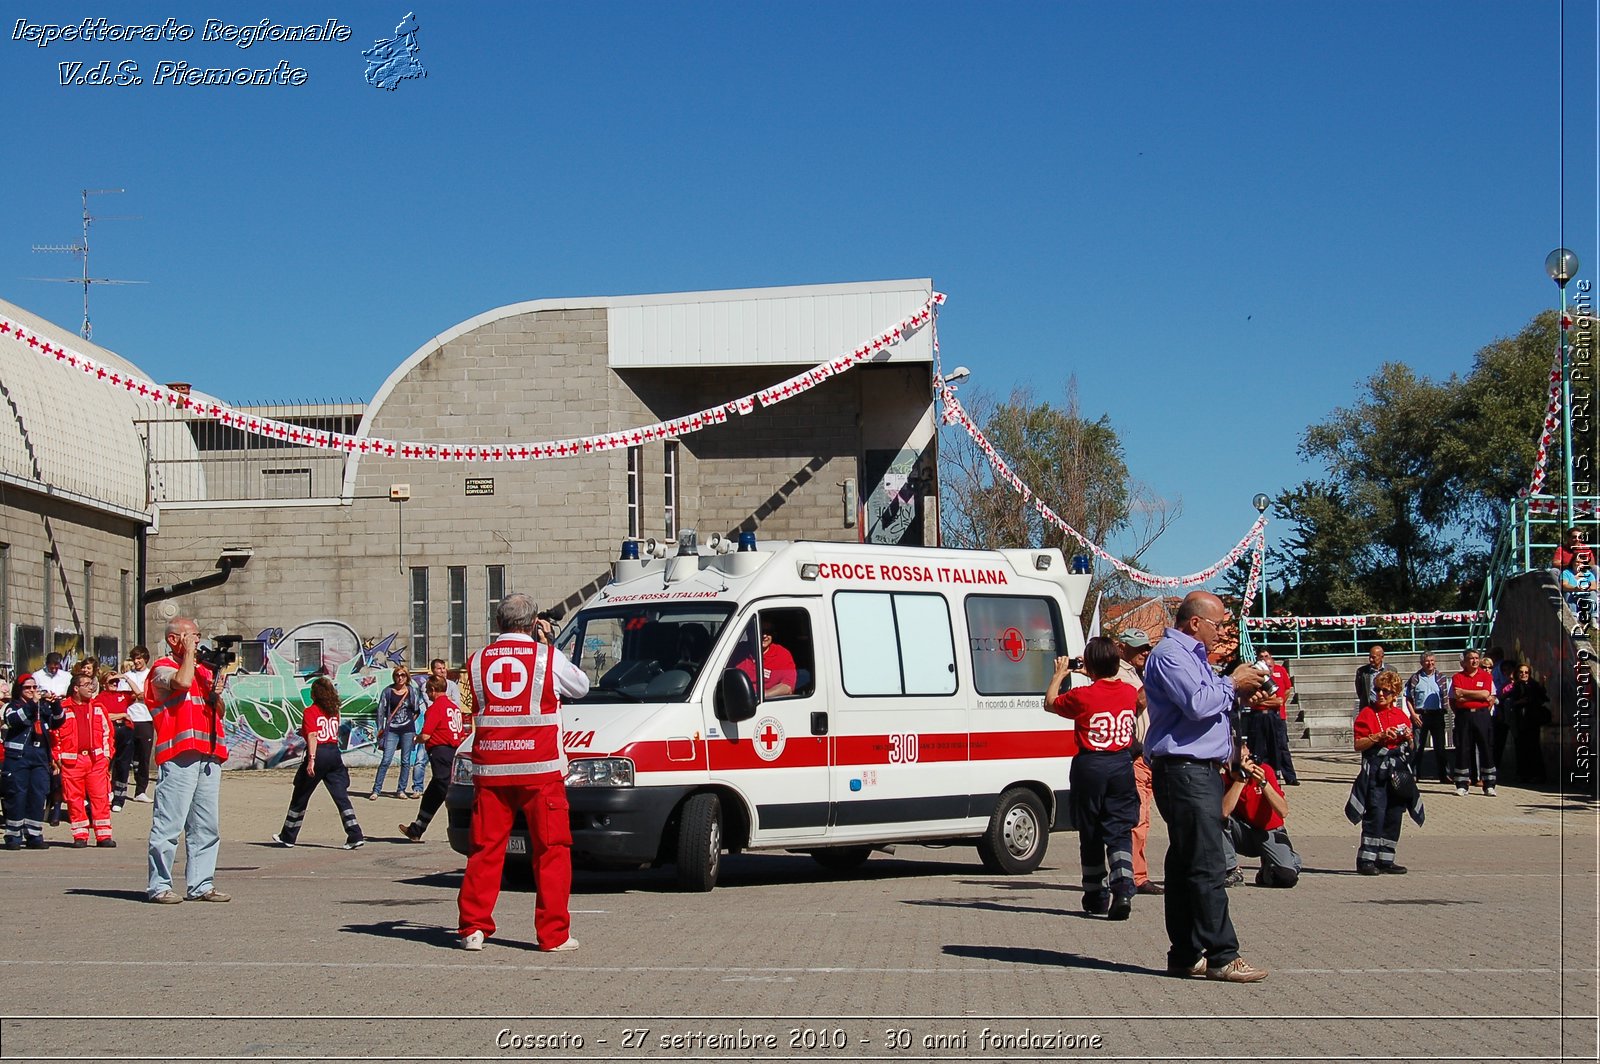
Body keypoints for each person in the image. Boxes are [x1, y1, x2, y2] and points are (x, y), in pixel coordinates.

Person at [1143, 590, 1268, 983]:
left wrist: (1241, 693)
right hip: (1184, 770)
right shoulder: (1170, 655)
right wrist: (1233, 682)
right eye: (1218, 625)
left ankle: (1184, 953)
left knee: (1185, 864)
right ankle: (1222, 955)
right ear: (1195, 623)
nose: (1222, 632)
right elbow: (1197, 704)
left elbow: (1210, 704)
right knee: (1208, 861)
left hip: (1198, 770)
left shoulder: (1193, 658)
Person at [457, 593, 589, 952]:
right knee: (551, 851)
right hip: (540, 769)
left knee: (484, 850)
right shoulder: (546, 657)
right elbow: (581, 685)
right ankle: (553, 935)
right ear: (533, 625)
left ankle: (473, 928)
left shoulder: (477, 660)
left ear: (498, 624)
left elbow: (467, 703)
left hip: (491, 769)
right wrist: (547, 643)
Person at [1045, 637, 1140, 920]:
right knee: (1119, 828)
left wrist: (1060, 673)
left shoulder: (1083, 696)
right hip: (1122, 764)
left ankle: (1095, 892)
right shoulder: (1128, 692)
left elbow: (1050, 703)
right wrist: (1098, 672)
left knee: (1090, 829)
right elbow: (1111, 686)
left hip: (1091, 765)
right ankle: (1123, 888)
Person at [145, 616, 231, 904]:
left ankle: (201, 884)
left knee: (206, 825)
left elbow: (218, 711)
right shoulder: (162, 668)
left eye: (198, 636)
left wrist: (216, 690)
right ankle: (159, 886)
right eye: (193, 636)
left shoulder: (203, 673)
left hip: (208, 754)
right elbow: (180, 683)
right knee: (169, 823)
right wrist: (192, 656)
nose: (198, 640)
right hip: (178, 754)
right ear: (174, 639)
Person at [272, 676, 364, 849]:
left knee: (301, 793)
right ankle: (355, 834)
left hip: (319, 753)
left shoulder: (310, 711)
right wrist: (305, 732)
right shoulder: (334, 711)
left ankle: (288, 836)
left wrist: (311, 760)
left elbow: (314, 736)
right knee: (340, 796)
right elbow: (325, 731)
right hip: (334, 752)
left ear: (315, 694)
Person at [1346, 670, 1423, 874]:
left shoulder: (1400, 715)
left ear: (1394, 694)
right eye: (1378, 690)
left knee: (1394, 815)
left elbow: (1412, 748)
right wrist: (1378, 736)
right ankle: (1366, 860)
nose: (1380, 694)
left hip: (1397, 773)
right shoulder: (1367, 714)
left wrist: (1408, 738)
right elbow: (1358, 744)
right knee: (1375, 814)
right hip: (1376, 773)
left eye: (1386, 691)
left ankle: (1386, 858)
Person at [1115, 628, 1163, 896]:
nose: (1145, 652)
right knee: (1138, 818)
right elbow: (1136, 702)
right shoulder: (1121, 674)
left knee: (1142, 819)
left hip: (1148, 754)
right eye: (1138, 648)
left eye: (1147, 647)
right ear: (1123, 648)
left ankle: (1134, 872)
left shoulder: (1135, 673)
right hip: (1134, 755)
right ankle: (1135, 875)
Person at [1221, 744, 1300, 888]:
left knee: (1286, 878)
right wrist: (1240, 781)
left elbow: (1283, 811)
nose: (1247, 763)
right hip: (1243, 834)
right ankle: (1231, 870)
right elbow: (1224, 812)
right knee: (1215, 819)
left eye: (1247, 757)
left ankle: (1277, 865)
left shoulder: (1265, 771)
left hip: (1269, 831)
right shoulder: (1222, 780)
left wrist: (1263, 783)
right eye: (1241, 760)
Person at [400, 675, 468, 842]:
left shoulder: (436, 708)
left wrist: (415, 740)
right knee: (433, 792)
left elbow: (426, 734)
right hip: (453, 751)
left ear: (432, 690)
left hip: (440, 752)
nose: (428, 695)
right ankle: (417, 828)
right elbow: (460, 734)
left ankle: (464, 826)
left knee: (446, 790)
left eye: (428, 692)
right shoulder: (454, 707)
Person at [3, 674, 63, 849]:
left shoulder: (42, 707)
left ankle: (34, 835)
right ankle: (13, 837)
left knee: (38, 796)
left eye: (34, 687)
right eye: (27, 688)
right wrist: (32, 703)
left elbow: (58, 722)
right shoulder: (12, 706)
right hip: (18, 758)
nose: (32, 691)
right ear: (19, 690)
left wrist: (55, 704)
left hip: (39, 758)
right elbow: (15, 720)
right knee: (17, 796)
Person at [55, 672, 115, 847]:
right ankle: (80, 835)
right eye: (87, 684)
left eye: (91, 684)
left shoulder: (97, 707)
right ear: (76, 688)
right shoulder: (63, 708)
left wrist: (106, 756)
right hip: (71, 762)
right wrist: (57, 758)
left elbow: (107, 733)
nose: (91, 687)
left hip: (96, 760)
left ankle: (104, 836)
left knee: (100, 798)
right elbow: (55, 735)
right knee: (74, 799)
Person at [368, 666, 422, 800]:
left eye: (403, 675)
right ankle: (376, 789)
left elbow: (416, 710)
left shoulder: (411, 691)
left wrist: (409, 722)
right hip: (392, 729)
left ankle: (401, 789)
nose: (400, 677)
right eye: (398, 675)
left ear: (407, 676)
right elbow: (381, 711)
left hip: (407, 730)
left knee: (405, 761)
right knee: (386, 759)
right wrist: (380, 728)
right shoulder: (388, 691)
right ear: (394, 676)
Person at [1449, 648, 1496, 797]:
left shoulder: (1486, 676)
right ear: (1464, 662)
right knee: (1463, 748)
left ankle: (1489, 784)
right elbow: (1456, 697)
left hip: (1482, 715)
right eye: (1471, 658)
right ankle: (1462, 784)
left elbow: (1486, 694)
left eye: (1477, 658)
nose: (1475, 661)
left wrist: (1465, 693)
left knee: (1485, 748)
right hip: (1463, 716)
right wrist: (1476, 695)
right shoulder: (1457, 677)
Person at [1253, 651, 1298, 785]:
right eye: (1261, 657)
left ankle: (1289, 776)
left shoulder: (1280, 670)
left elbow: (1286, 691)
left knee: (1282, 746)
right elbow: (1252, 700)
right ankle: (1265, 776)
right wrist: (1269, 702)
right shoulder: (1255, 673)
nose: (1264, 659)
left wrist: (1279, 702)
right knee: (1261, 748)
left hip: (1278, 715)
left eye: (1266, 656)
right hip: (1259, 715)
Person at [1502, 662, 1550, 783]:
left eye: (1526, 672)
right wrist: (1519, 702)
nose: (1524, 674)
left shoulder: (1533, 685)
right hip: (1519, 721)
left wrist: (1542, 685)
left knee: (1534, 748)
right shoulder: (1515, 687)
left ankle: (1537, 774)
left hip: (1532, 720)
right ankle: (1523, 774)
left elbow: (1542, 698)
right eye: (1521, 672)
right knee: (1521, 748)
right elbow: (1508, 701)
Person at [1406, 652, 1450, 784]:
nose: (1430, 663)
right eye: (1427, 661)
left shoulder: (1442, 678)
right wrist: (1413, 714)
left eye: (1432, 660)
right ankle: (1414, 774)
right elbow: (1408, 698)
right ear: (1422, 663)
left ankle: (1444, 775)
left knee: (1440, 748)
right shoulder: (1415, 678)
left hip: (1437, 715)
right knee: (1417, 747)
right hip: (1420, 715)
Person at [119, 647, 155, 804]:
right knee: (123, 757)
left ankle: (140, 790)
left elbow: (148, 696)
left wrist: (139, 696)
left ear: (145, 659)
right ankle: (118, 791)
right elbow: (124, 697)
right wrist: (137, 695)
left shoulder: (151, 675)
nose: (136, 661)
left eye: (139, 658)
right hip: (129, 719)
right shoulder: (126, 676)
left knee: (144, 758)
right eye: (134, 658)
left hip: (146, 719)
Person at [98, 665, 135, 813]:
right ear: (104, 683)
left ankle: (119, 798)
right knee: (107, 764)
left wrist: (125, 678)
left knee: (123, 765)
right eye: (111, 681)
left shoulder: (123, 695)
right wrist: (122, 715)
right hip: (109, 731)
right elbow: (104, 715)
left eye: (116, 682)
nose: (115, 684)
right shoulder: (100, 698)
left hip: (125, 731)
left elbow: (139, 694)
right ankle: (105, 794)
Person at [732, 627, 796, 696]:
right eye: (760, 631)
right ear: (749, 632)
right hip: (736, 699)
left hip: (766, 703)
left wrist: (762, 696)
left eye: (769, 631)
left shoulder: (782, 654)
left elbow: (787, 687)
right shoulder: (737, 649)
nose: (765, 636)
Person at [1354, 644, 1396, 714]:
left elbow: (1395, 689)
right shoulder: (1362, 671)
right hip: (1368, 708)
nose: (1371, 659)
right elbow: (1360, 690)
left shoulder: (1391, 671)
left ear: (1381, 657)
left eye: (1373, 657)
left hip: (1386, 707)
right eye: (1369, 657)